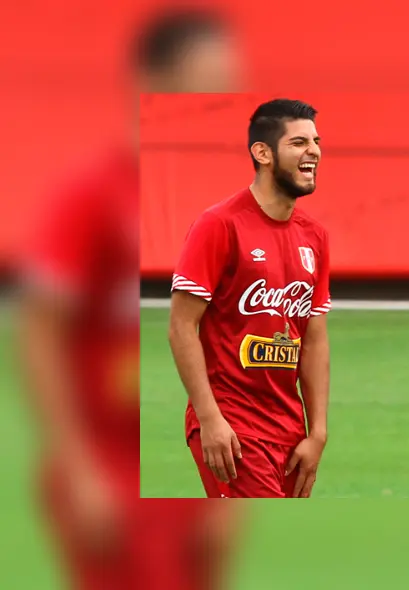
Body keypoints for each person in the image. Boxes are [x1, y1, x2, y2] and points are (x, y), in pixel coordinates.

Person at [17, 8, 243, 589]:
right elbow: (39, 331)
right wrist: (77, 466)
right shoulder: (92, 195)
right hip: (112, 463)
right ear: (153, 81)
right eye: (209, 77)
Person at [169, 98, 332, 499]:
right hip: (234, 426)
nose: (313, 151)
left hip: (290, 431)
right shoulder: (219, 225)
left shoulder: (315, 235)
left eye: (315, 141)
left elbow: (313, 339)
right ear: (262, 153)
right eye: (298, 142)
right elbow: (180, 326)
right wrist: (209, 419)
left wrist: (318, 432)